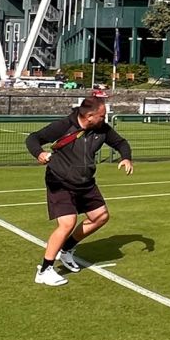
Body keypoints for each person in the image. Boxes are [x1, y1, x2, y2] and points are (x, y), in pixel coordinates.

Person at [25, 95, 133, 286]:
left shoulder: (102, 128)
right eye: (102, 115)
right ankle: (44, 270)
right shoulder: (64, 125)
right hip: (60, 181)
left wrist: (126, 157)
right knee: (67, 223)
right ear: (89, 116)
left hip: (85, 182)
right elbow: (33, 138)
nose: (105, 119)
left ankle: (66, 250)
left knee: (100, 217)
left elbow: (121, 143)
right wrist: (39, 153)